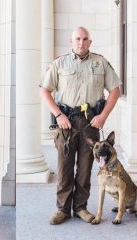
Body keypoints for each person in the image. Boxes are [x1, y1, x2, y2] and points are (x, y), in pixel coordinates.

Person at [40, 26, 121, 225]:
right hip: (66, 122)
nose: (81, 42)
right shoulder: (60, 63)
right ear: (71, 41)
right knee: (64, 168)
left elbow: (116, 90)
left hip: (90, 123)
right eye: (77, 39)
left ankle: (80, 208)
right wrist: (58, 114)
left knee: (85, 168)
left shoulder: (100, 63)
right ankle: (62, 210)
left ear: (90, 42)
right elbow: (44, 90)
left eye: (85, 39)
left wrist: (103, 116)